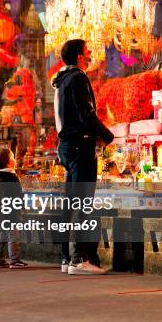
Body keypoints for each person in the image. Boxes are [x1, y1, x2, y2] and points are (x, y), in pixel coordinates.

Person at [52, 39, 114, 275]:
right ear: (79, 56)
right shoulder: (78, 78)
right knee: (83, 203)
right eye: (87, 52)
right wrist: (107, 136)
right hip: (80, 147)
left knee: (71, 203)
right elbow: (86, 114)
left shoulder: (62, 80)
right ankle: (80, 259)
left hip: (67, 147)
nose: (90, 56)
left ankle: (68, 258)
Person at [0, 148, 28, 269]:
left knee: (0, 237)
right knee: (13, 237)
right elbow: (16, 195)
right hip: (10, 214)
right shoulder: (11, 177)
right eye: (13, 157)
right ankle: (14, 260)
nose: (15, 159)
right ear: (9, 162)